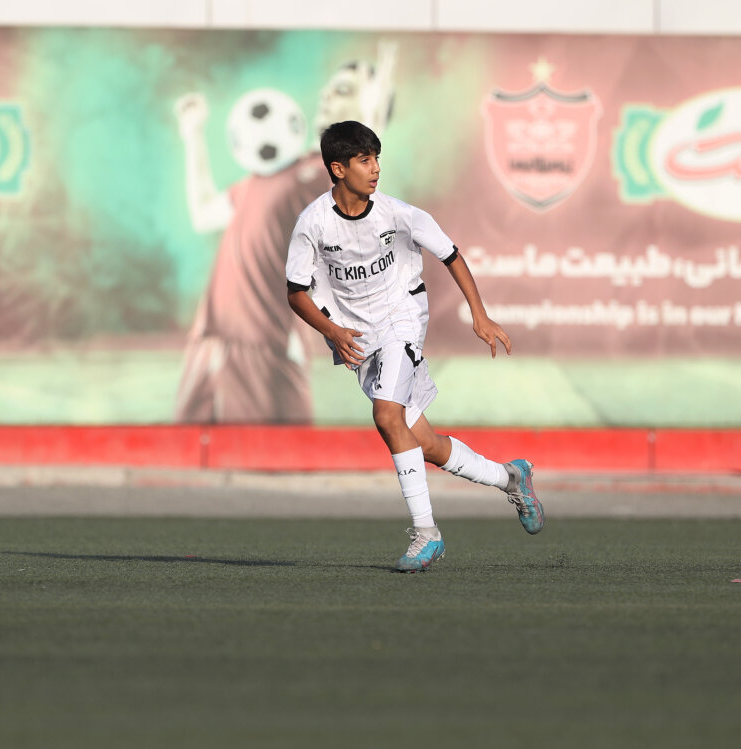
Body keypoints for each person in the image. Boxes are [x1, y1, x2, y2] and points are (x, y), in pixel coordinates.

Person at [285, 120, 545, 572]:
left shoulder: (399, 214)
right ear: (338, 168)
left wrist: (479, 314)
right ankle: (511, 477)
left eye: (377, 158)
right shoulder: (312, 223)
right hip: (358, 337)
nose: (375, 168)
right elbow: (295, 292)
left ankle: (427, 533)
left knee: (387, 416)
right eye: (364, 160)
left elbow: (451, 256)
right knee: (423, 443)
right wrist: (333, 331)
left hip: (402, 319)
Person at [172, 43, 397, 424]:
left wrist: (373, 115)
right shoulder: (281, 170)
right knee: (184, 450)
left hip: (261, 345)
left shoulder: (328, 180)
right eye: (330, 87)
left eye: (344, 90)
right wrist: (192, 135)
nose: (327, 95)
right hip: (210, 339)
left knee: (261, 454)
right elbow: (204, 213)